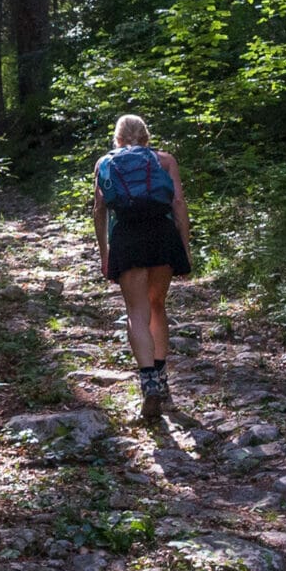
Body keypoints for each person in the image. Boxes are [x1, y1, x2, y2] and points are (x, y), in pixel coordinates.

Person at [93, 114, 191, 421]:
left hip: (126, 237)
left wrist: (104, 252)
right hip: (161, 236)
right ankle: (162, 382)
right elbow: (178, 204)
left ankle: (148, 380)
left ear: (117, 137)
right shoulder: (164, 160)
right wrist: (184, 246)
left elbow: (99, 210)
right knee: (157, 306)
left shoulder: (104, 163)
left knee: (136, 311)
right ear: (146, 136)